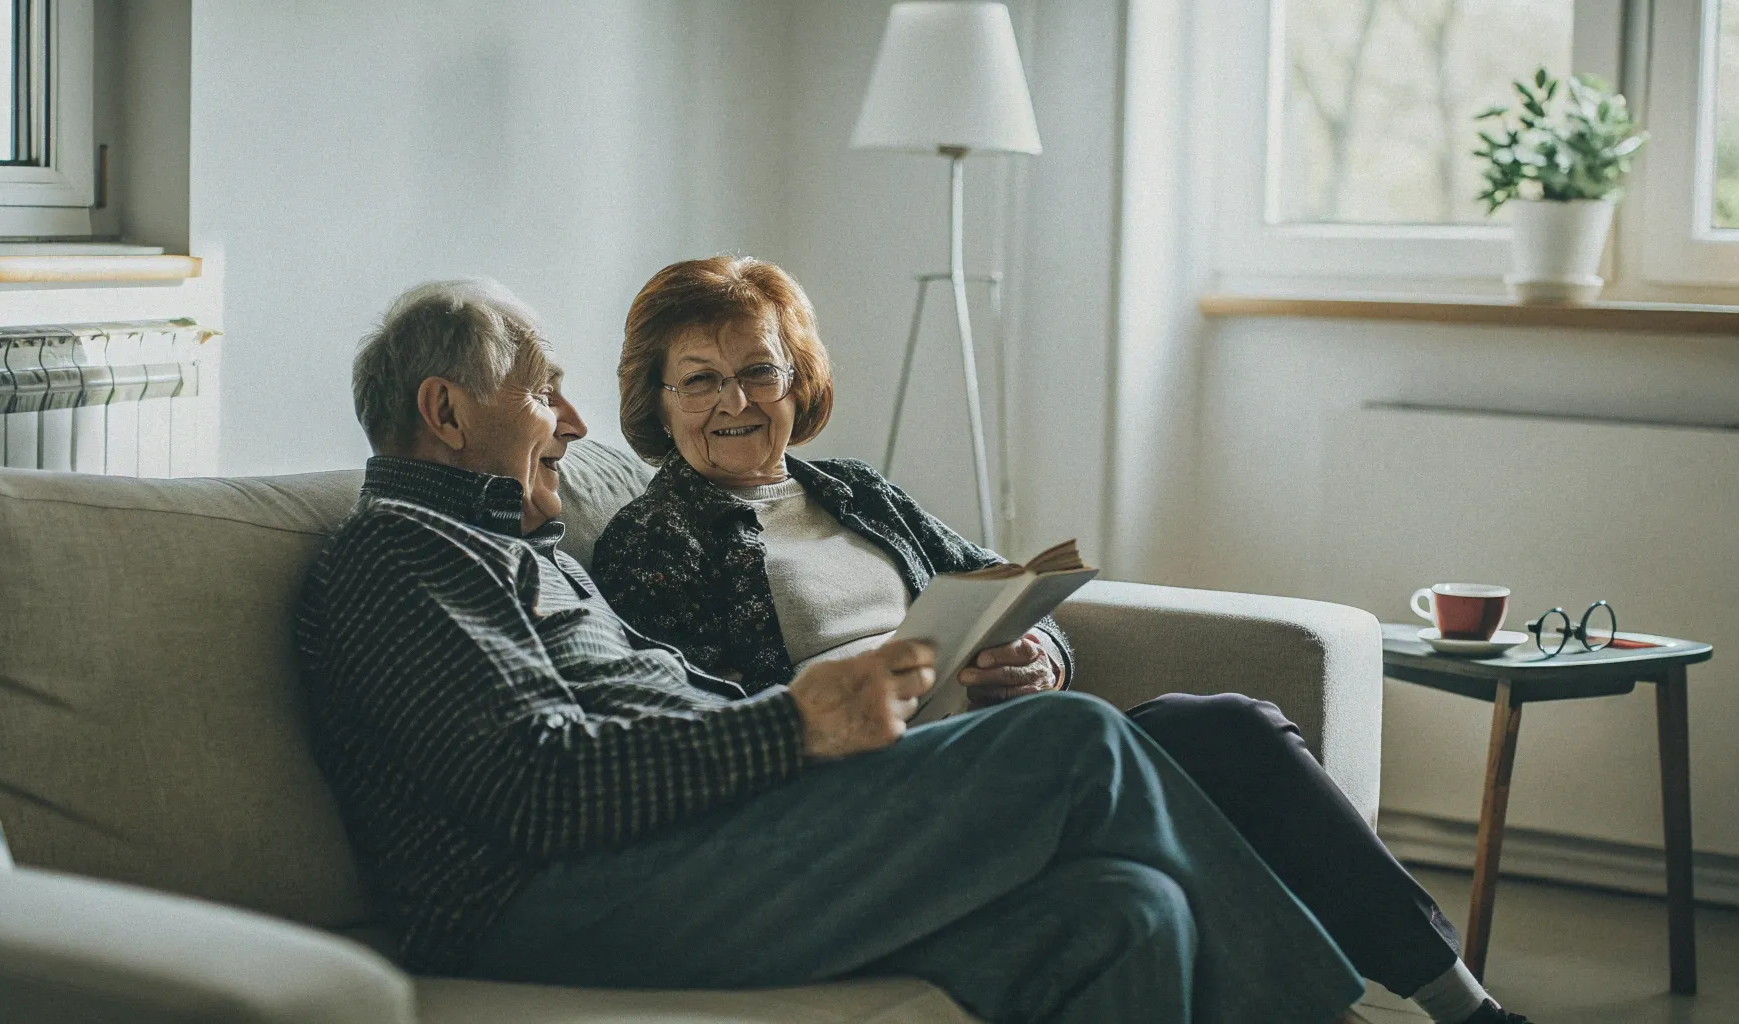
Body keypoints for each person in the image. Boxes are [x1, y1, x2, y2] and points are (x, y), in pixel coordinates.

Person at [296, 278, 1372, 1024]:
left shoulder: (516, 545)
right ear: (444, 411)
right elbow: (537, 786)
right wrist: (799, 725)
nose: (572, 421)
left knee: (1126, 911)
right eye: (541, 388)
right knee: (1070, 745)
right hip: (548, 902)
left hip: (692, 846)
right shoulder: (395, 557)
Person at [591, 256, 1531, 1024]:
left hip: (997, 739)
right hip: (882, 789)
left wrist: (1040, 654)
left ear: (798, 377)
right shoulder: (655, 540)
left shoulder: (854, 491)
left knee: (1232, 727)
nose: (736, 403)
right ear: (659, 402)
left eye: (759, 371)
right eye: (701, 381)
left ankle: (1463, 1004)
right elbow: (708, 725)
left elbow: (1004, 587)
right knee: (1202, 750)